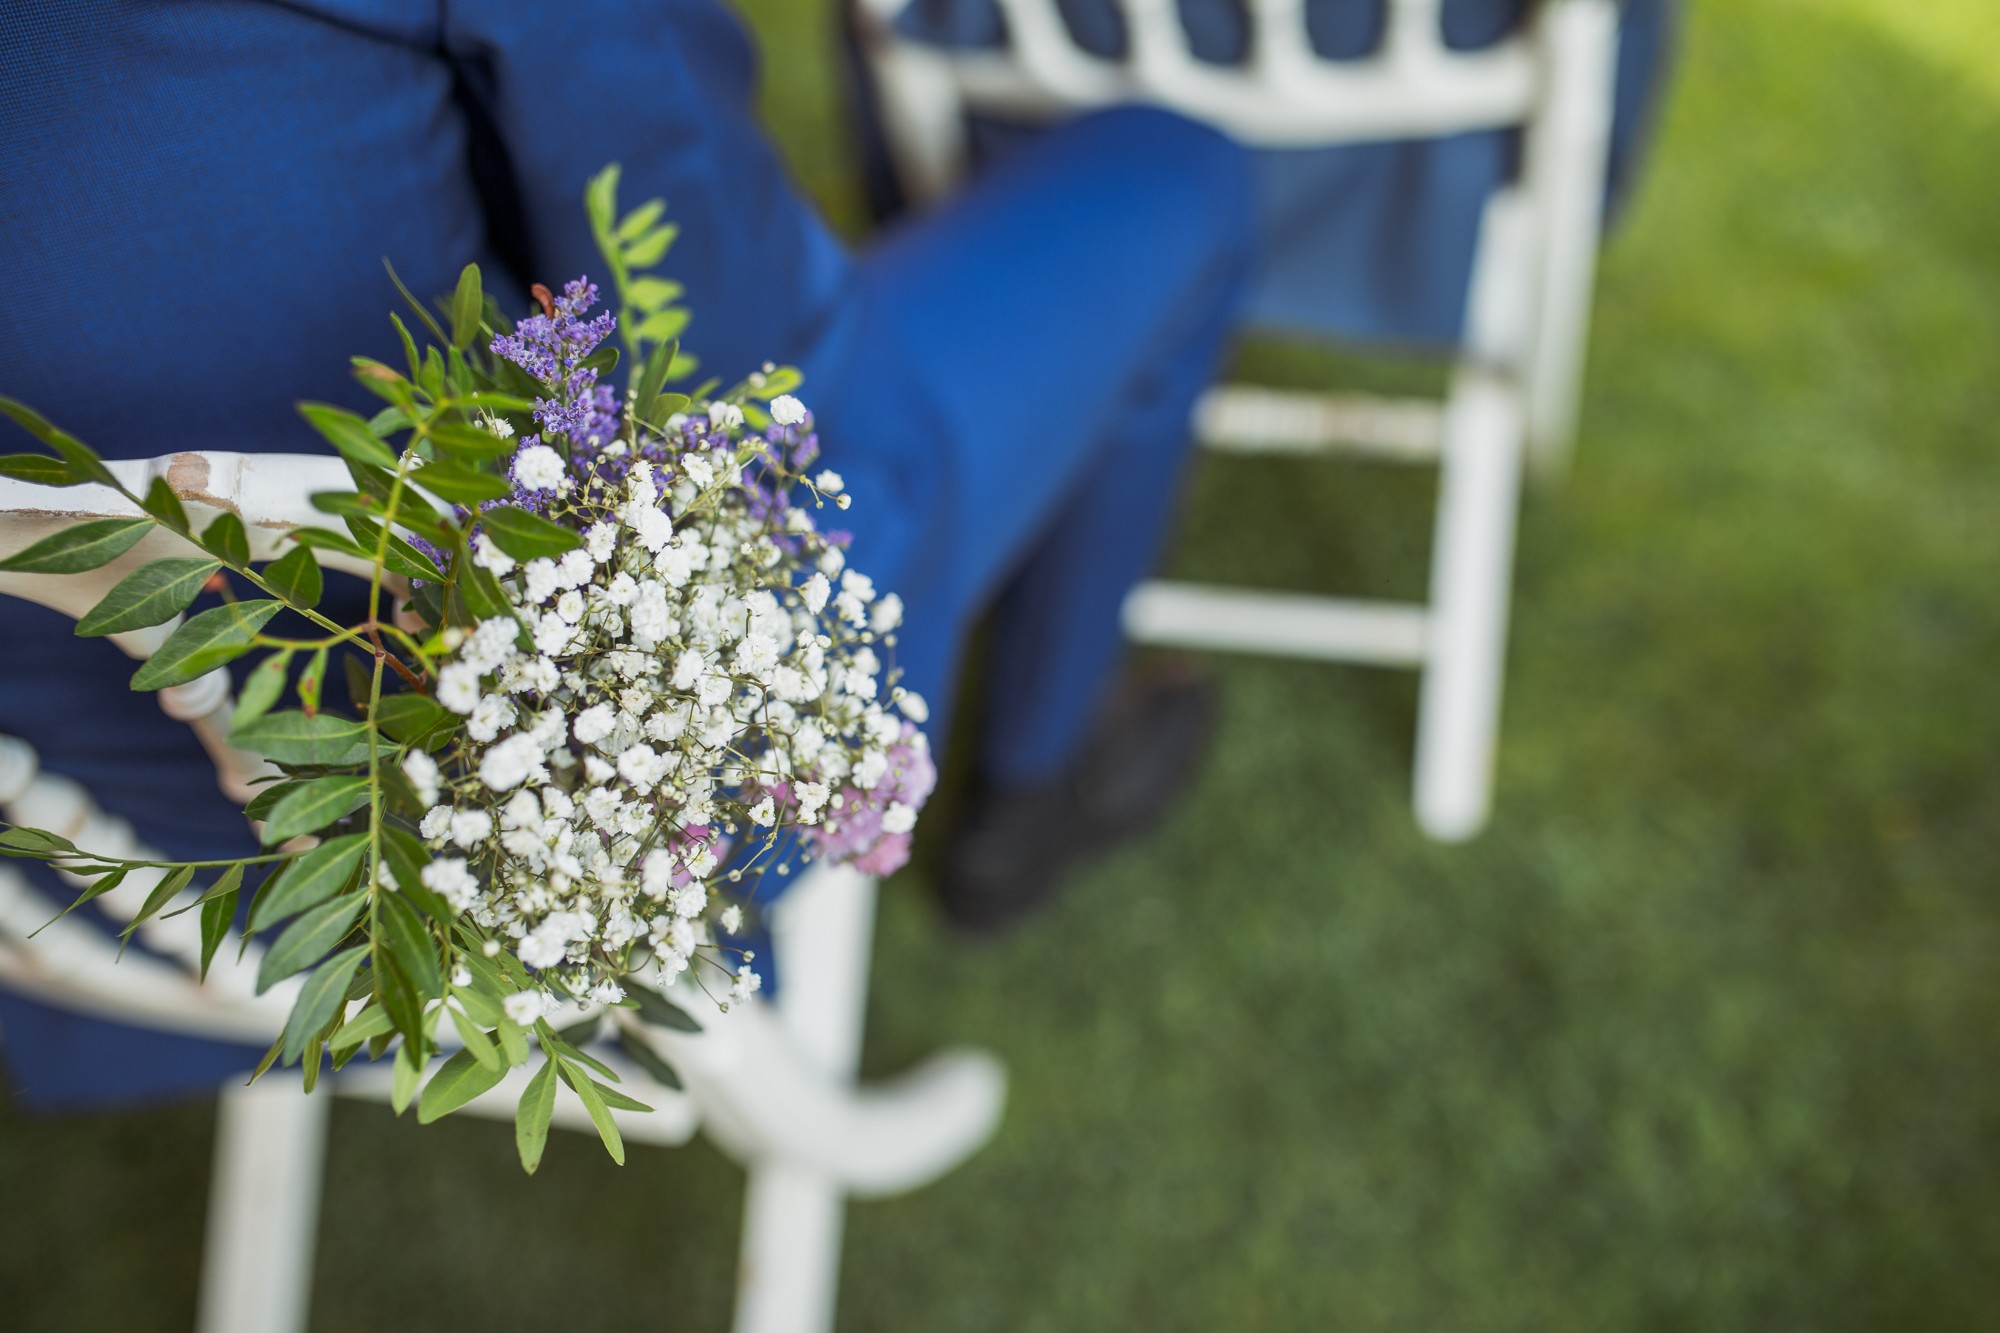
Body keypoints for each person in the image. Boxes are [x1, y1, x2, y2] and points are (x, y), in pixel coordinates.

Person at [0, 0, 1253, 1104]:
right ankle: (1032, 790)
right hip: (563, 799)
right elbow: (727, 321)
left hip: (106, 863)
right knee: (1180, 171)